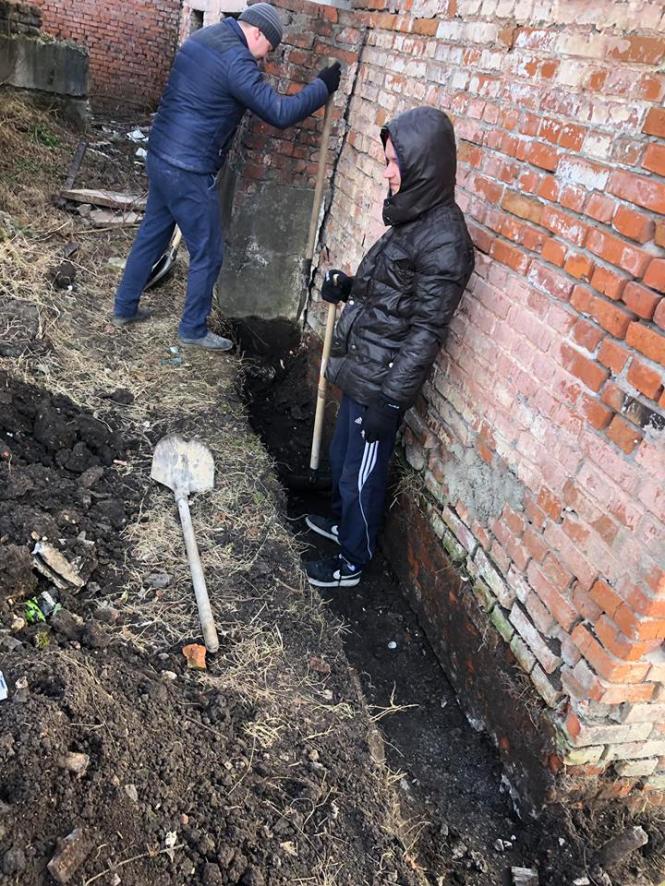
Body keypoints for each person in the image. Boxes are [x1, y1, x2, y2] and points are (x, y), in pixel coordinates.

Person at [305, 106, 475, 588]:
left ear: (424, 165)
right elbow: (388, 294)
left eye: (395, 162)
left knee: (361, 475)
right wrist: (348, 287)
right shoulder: (413, 217)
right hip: (364, 368)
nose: (387, 172)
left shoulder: (445, 241)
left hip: (382, 383)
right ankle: (340, 523)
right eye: (386, 161)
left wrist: (392, 401)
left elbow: (426, 331)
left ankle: (351, 561)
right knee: (343, 458)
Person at [112, 3, 341, 350]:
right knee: (208, 252)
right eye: (268, 49)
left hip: (161, 155)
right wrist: (322, 87)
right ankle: (193, 330)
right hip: (188, 169)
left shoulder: (204, 38)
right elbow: (279, 112)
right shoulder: (236, 59)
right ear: (257, 33)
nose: (265, 58)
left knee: (152, 234)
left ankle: (124, 307)